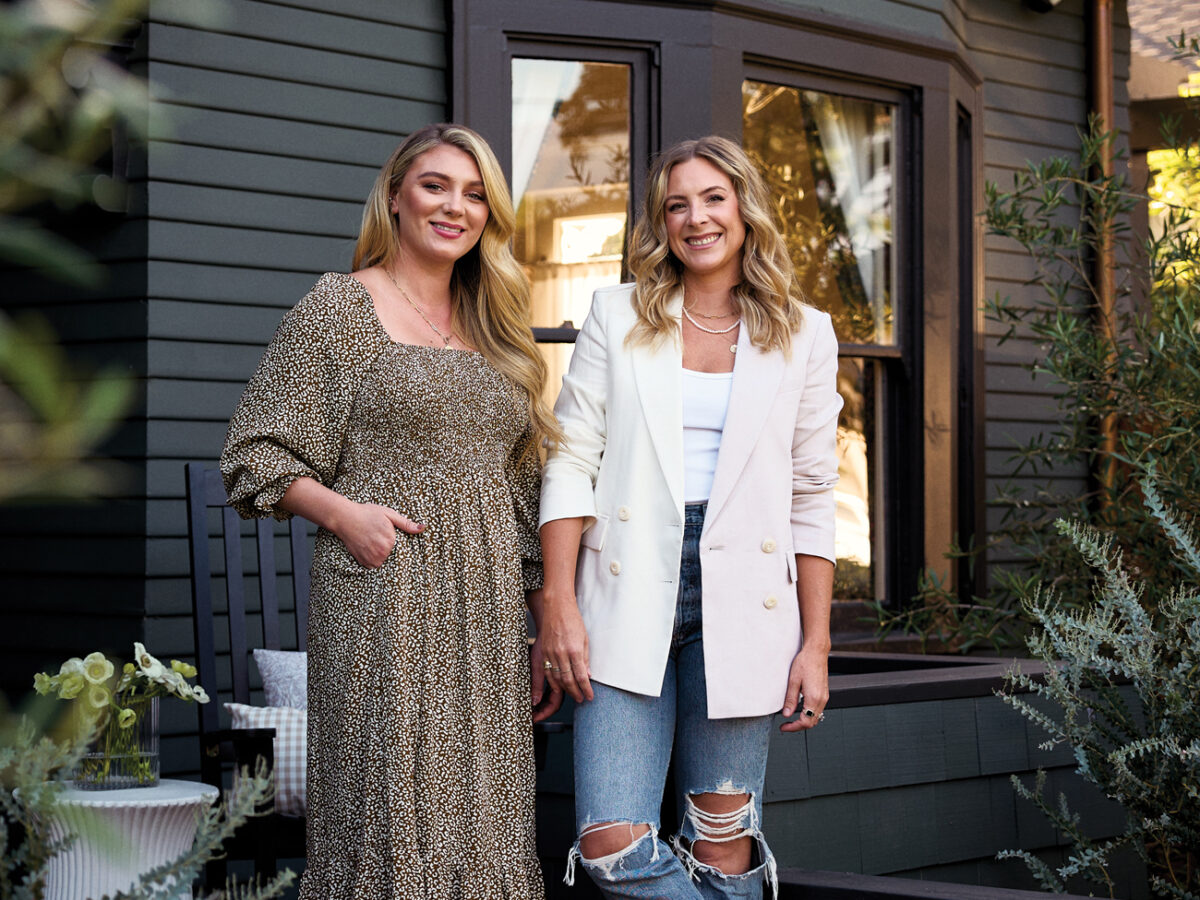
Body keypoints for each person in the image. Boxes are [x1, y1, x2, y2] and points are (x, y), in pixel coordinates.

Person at [220, 122, 562, 900]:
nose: (456, 207)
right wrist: (344, 516)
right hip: (384, 594)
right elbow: (254, 453)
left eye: (476, 195)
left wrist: (545, 618)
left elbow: (522, 489)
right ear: (397, 196)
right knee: (392, 809)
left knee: (486, 812)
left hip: (487, 612)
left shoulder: (494, 328)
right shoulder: (341, 307)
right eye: (436, 186)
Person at [537, 135, 842, 899]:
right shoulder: (618, 315)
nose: (696, 218)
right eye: (677, 204)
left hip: (744, 596)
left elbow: (811, 494)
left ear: (744, 209)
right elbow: (571, 458)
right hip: (625, 583)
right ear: (660, 222)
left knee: (725, 844)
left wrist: (816, 643)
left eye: (713, 198)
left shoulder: (805, 333)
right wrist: (559, 602)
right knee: (611, 841)